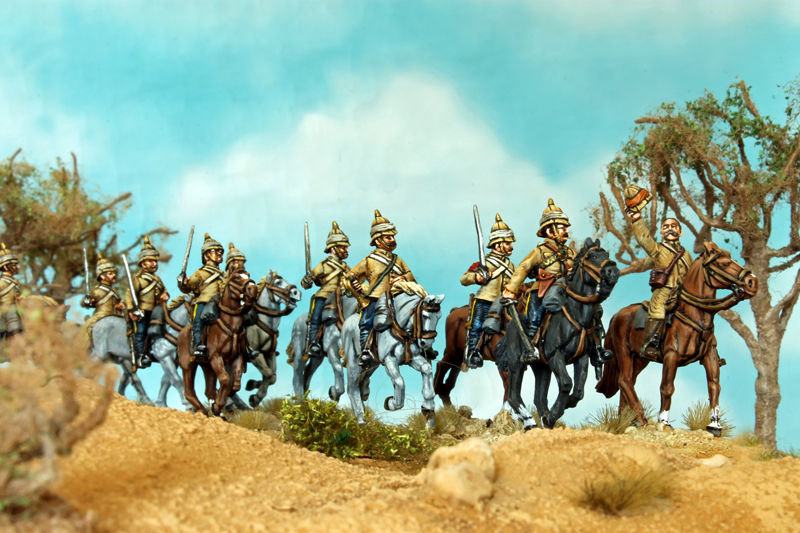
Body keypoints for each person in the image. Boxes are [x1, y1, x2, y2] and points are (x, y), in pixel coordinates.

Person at [623, 185, 693, 361]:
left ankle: (708, 345)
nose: (670, 229)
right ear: (661, 232)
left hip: (683, 292)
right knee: (658, 309)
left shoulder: (686, 254)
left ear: (680, 231)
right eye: (666, 227)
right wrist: (637, 220)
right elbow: (644, 239)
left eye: (674, 226)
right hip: (664, 290)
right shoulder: (658, 249)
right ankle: (650, 344)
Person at [503, 199, 575, 363]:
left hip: (567, 290)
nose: (566, 231)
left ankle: (596, 347)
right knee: (534, 318)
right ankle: (528, 349)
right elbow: (523, 268)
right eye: (562, 228)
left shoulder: (570, 252)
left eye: (566, 228)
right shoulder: (540, 251)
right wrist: (511, 289)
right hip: (543, 290)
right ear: (550, 231)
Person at [348, 210, 415, 367]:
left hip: (398, 295)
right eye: (388, 237)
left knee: (419, 314)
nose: (392, 240)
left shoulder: (398, 260)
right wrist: (357, 286)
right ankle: (365, 350)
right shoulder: (369, 260)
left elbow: (410, 276)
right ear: (378, 241)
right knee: (367, 320)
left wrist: (403, 278)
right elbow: (349, 277)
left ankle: (421, 345)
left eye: (393, 237)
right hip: (376, 297)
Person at [460, 214, 516, 369]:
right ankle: (473, 353)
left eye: (511, 243)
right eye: (507, 243)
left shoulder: (511, 266)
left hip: (506, 301)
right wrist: (477, 277)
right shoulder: (484, 263)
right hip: (486, 300)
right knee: (477, 325)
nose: (511, 246)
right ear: (497, 245)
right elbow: (464, 279)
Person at [300, 221, 351, 357]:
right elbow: (307, 282)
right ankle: (313, 342)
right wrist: (307, 281)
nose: (346, 250)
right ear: (333, 249)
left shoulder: (345, 267)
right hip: (325, 295)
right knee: (315, 317)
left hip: (344, 295)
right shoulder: (323, 266)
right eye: (343, 247)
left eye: (346, 247)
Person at [124, 236, 169, 367]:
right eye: (150, 261)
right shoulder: (137, 280)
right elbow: (129, 295)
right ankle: (140, 356)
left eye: (155, 260)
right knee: (141, 332)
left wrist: (165, 295)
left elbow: (164, 290)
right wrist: (132, 310)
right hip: (142, 311)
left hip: (156, 312)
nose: (154, 263)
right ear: (143, 264)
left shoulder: (158, 280)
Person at [178, 233, 224, 357]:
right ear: (206, 256)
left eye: (220, 251)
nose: (219, 253)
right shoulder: (200, 273)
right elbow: (188, 287)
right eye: (215, 251)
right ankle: (197, 343)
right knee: (198, 320)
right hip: (205, 300)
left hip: (221, 302)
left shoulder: (224, 275)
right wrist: (182, 283)